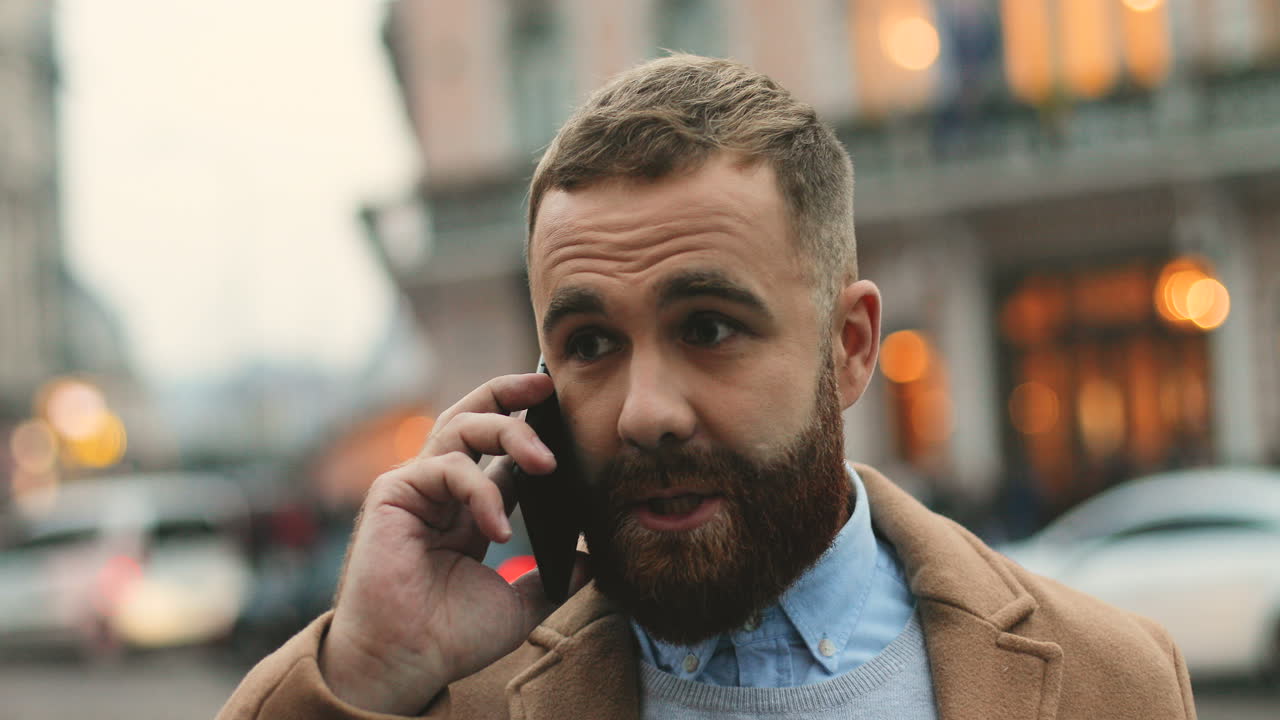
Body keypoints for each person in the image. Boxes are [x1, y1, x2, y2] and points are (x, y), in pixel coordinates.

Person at [218, 55, 1196, 719]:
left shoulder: (1110, 682)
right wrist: (363, 672)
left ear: (849, 347)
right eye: (592, 342)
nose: (645, 411)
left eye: (709, 328)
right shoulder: (454, 695)